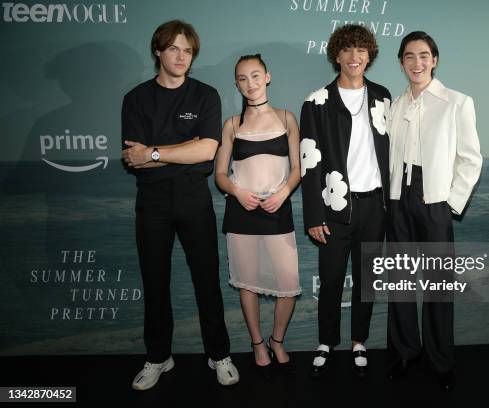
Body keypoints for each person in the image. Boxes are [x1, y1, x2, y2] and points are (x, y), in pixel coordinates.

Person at [121, 19, 239, 389]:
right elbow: (133, 158)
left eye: (188, 50)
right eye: (173, 48)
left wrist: (155, 152)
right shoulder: (136, 99)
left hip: (193, 199)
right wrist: (175, 153)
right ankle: (158, 357)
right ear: (158, 51)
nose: (181, 56)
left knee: (207, 281)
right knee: (155, 284)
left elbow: (206, 150)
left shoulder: (205, 95)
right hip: (152, 202)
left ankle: (219, 355)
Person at [386, 31, 482, 391]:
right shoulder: (395, 105)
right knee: (400, 282)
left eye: (423, 55)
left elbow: (471, 160)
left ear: (435, 59)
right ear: (401, 63)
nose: (417, 63)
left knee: (438, 287)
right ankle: (404, 353)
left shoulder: (457, 102)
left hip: (435, 200)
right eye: (409, 56)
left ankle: (441, 362)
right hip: (398, 199)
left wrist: (449, 202)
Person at [300, 24, 390, 379]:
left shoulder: (383, 97)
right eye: (348, 50)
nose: (355, 57)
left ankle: (359, 342)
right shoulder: (316, 102)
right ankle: (326, 342)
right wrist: (313, 213)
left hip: (375, 206)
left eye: (362, 51)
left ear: (369, 56)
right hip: (335, 206)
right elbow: (309, 161)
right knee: (332, 277)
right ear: (336, 55)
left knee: (367, 279)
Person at [215, 54, 302, 379]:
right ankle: (256, 344)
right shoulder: (232, 125)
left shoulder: (286, 118)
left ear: (267, 77)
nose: (249, 83)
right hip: (241, 212)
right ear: (237, 84)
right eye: (242, 78)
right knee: (247, 283)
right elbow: (220, 176)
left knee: (288, 283)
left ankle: (276, 339)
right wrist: (237, 193)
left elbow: (298, 169)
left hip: (278, 210)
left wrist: (283, 193)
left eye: (255, 76)